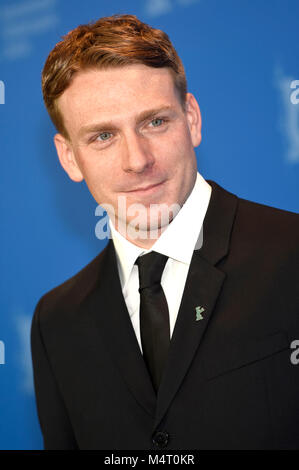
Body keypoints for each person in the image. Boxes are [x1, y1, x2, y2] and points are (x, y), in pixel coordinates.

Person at [31, 14, 299, 450]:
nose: (137, 160)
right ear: (69, 158)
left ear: (191, 119)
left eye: (154, 122)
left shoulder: (291, 254)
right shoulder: (57, 321)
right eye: (102, 136)